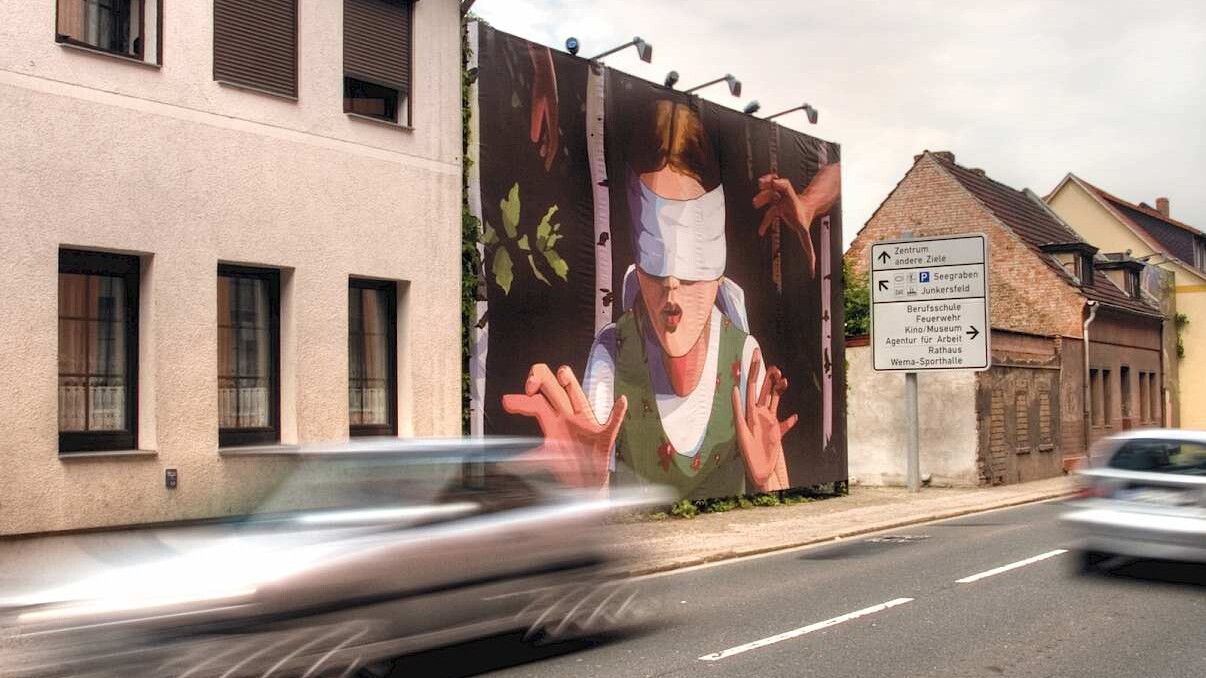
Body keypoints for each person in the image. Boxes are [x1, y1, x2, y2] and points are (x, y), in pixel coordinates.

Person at [503, 100, 801, 499]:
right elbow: (596, 510)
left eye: (693, 266)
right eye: (657, 264)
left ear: (717, 269)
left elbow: (780, 508)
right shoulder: (613, 352)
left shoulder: (745, 356)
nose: (672, 286)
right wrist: (588, 487)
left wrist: (767, 480)